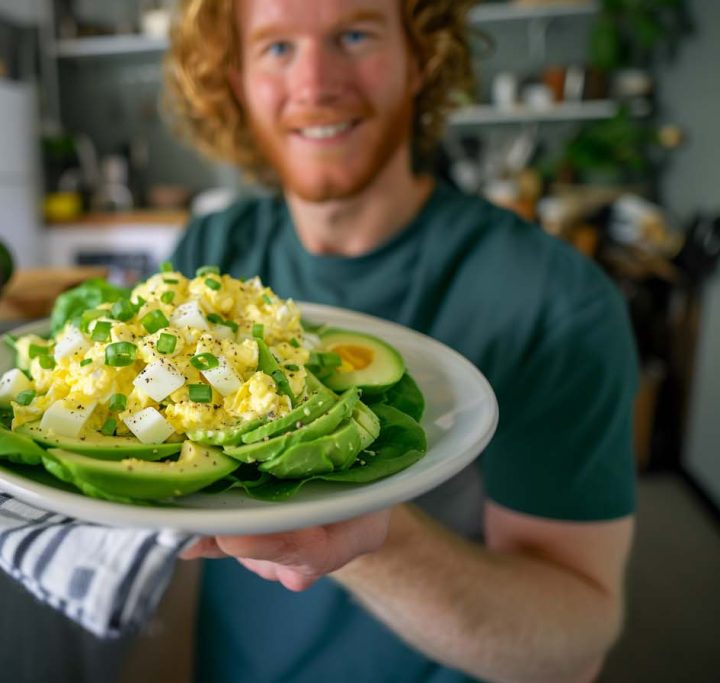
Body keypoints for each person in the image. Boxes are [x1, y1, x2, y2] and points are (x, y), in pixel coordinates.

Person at [162, 1, 639, 681]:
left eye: (354, 34)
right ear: (235, 78)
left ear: (422, 59)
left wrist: (361, 530)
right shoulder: (209, 250)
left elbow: (571, 647)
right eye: (275, 48)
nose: (316, 82)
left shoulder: (555, 301)